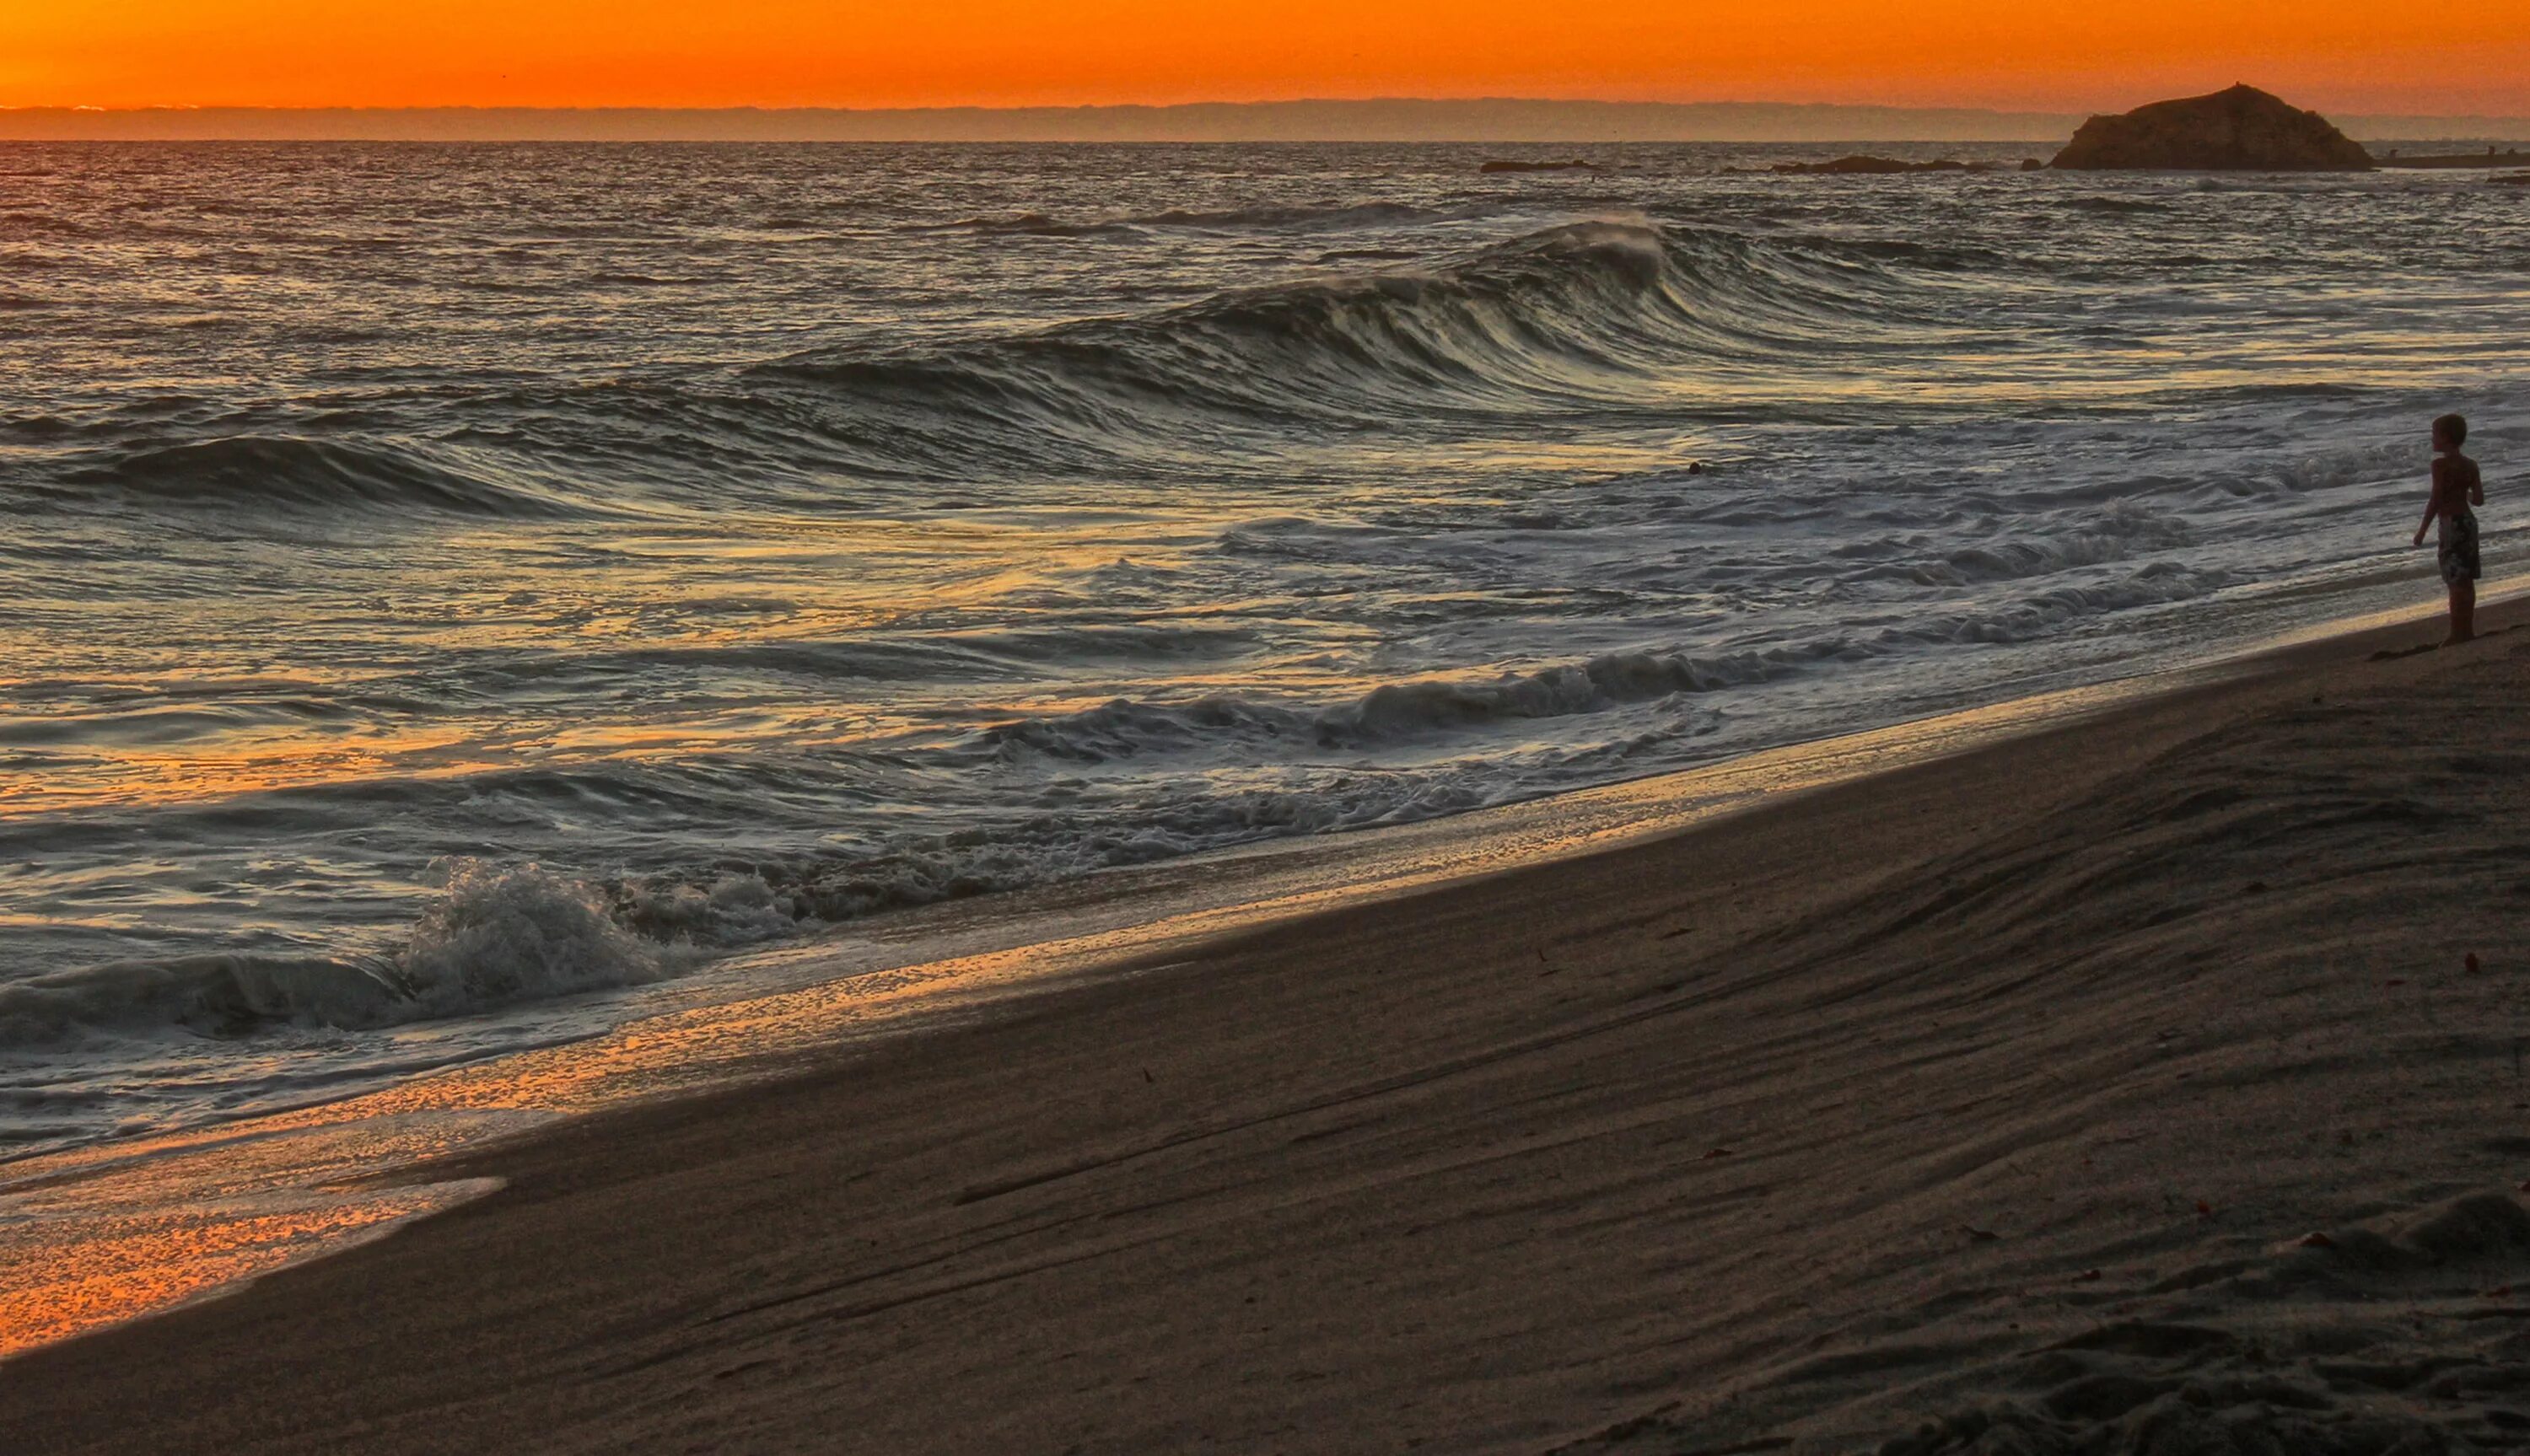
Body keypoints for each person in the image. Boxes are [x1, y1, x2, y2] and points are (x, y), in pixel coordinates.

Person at [2412, 412, 2485, 644]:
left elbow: (2436, 499)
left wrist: (2422, 530)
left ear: (2446, 437)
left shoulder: (2440, 465)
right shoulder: (2471, 465)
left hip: (2451, 524)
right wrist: (2463, 490)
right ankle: (2467, 629)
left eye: (2435, 435)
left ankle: (2456, 632)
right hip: (2468, 521)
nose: (2432, 439)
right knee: (2467, 578)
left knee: (2454, 580)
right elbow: (2479, 500)